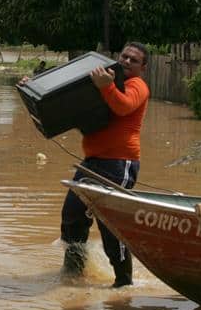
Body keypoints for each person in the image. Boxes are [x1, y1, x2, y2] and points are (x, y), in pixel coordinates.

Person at [59, 43, 150, 287]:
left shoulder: (136, 85)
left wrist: (106, 86)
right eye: (124, 56)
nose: (127, 61)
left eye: (133, 60)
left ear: (143, 67)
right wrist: (30, 86)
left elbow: (123, 106)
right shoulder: (105, 83)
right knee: (72, 215)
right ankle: (74, 271)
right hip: (93, 161)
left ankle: (123, 283)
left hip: (120, 163)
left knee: (111, 223)